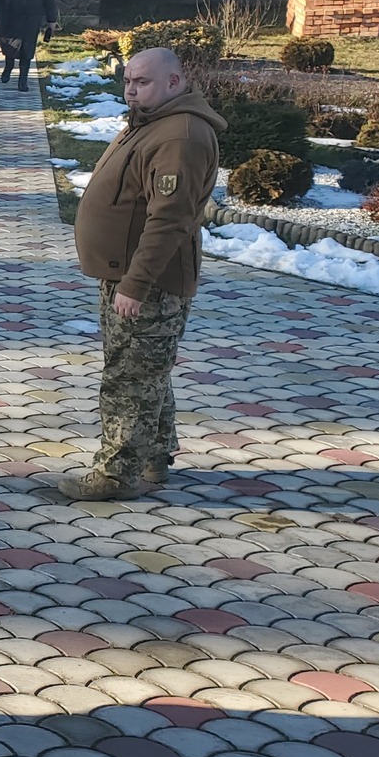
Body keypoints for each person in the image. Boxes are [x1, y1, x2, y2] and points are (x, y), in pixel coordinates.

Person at [66, 49, 224, 501]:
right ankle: (155, 452)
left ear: (175, 82)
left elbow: (169, 219)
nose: (131, 89)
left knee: (129, 379)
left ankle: (116, 474)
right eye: (128, 81)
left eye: (143, 82)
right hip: (126, 275)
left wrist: (135, 285)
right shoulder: (154, 122)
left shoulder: (181, 137)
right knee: (146, 368)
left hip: (148, 282)